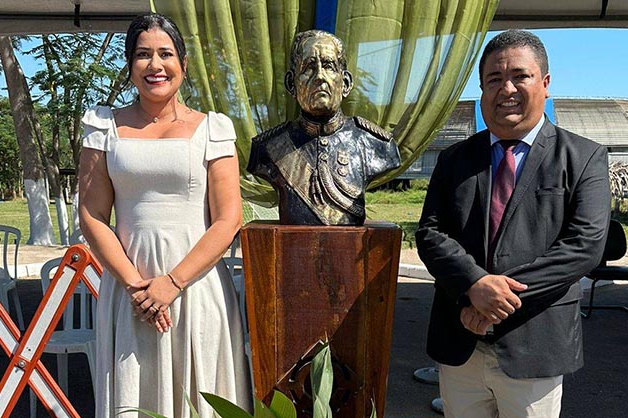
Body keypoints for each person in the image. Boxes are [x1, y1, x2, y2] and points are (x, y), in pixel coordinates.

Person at [416, 29, 610, 418]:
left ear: (545, 83)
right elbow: (431, 234)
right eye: (494, 79)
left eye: (520, 76)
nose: (506, 89)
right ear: (482, 89)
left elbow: (583, 246)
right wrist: (473, 285)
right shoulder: (454, 159)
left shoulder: (583, 157)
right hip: (461, 343)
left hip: (534, 347)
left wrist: (494, 301)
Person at [78, 13, 250, 418]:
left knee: (200, 395)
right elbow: (92, 215)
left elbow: (229, 219)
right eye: (142, 55)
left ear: (183, 64)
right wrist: (138, 288)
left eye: (165, 54)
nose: (155, 65)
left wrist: (172, 283)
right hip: (129, 292)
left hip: (196, 288)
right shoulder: (103, 127)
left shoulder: (213, 129)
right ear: (129, 65)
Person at [247, 29, 400, 226]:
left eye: (329, 66)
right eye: (308, 68)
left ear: (345, 83)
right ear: (291, 84)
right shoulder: (268, 148)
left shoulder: (376, 144)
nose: (319, 76)